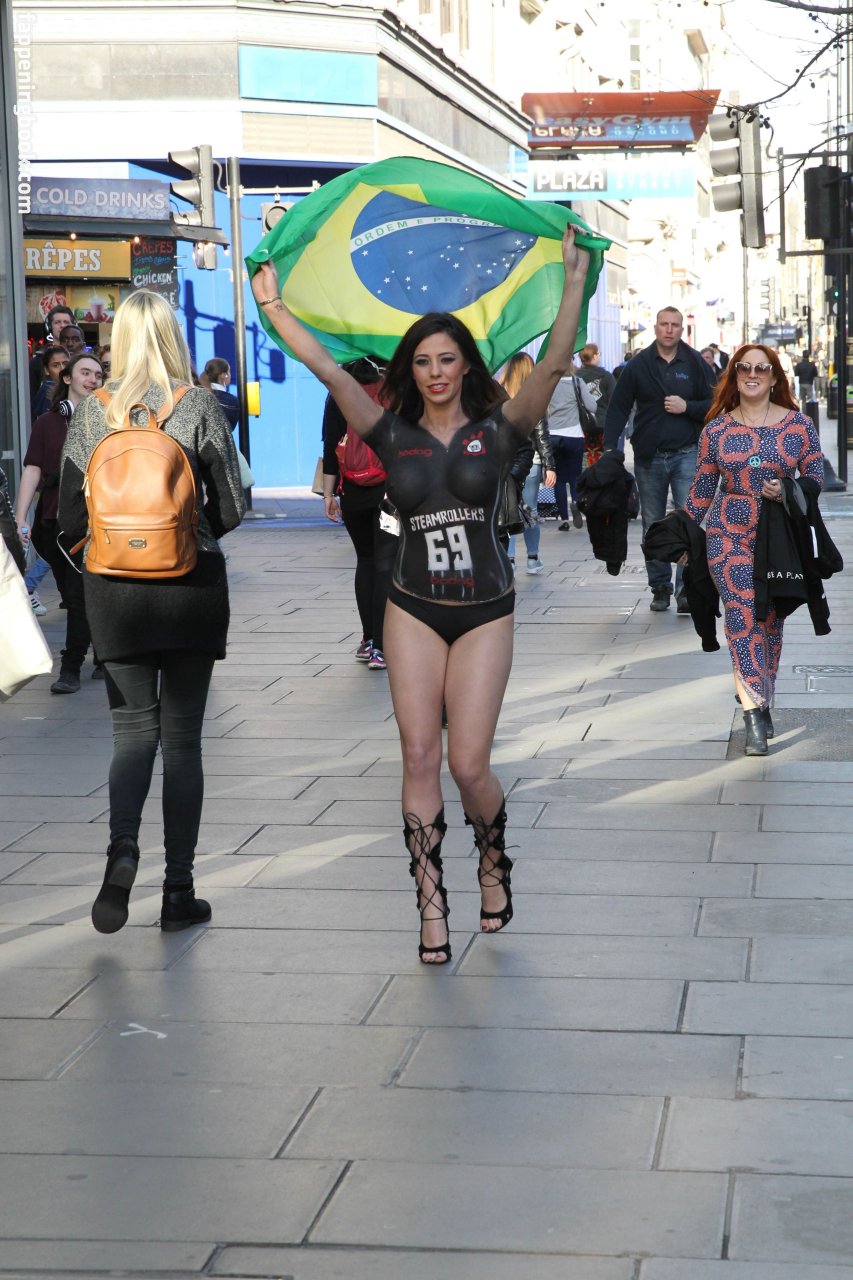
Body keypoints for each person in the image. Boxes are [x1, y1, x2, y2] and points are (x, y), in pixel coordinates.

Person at [250, 226, 590, 964]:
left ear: (466, 365)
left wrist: (572, 281)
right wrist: (274, 308)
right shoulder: (387, 430)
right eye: (423, 361)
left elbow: (555, 361)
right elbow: (327, 370)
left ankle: (492, 858)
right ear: (410, 368)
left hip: (484, 611)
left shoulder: (502, 428)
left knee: (468, 765)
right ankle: (430, 905)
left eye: (447, 359)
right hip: (410, 607)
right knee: (417, 754)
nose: (435, 372)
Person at [57, 290, 245, 934]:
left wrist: (116, 549)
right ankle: (178, 891)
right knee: (183, 741)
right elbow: (231, 506)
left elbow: (68, 516)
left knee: (132, 733)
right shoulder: (197, 404)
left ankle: (122, 852)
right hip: (190, 588)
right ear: (172, 337)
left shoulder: (92, 411)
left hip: (115, 594)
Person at [683, 345, 823, 755]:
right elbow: (703, 488)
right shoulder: (716, 430)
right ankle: (753, 714)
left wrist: (789, 489)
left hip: (780, 538)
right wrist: (682, 534)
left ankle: (761, 696)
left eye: (762, 368)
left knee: (770, 622)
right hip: (729, 535)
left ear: (774, 377)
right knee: (742, 618)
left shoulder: (799, 425)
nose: (752, 374)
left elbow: (815, 474)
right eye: (744, 367)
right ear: (734, 375)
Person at [603, 306, 716, 613]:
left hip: (687, 453)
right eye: (664, 324)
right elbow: (618, 407)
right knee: (652, 523)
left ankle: (685, 590)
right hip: (649, 456)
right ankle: (660, 587)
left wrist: (687, 407)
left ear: (682, 329)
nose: (669, 329)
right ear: (655, 328)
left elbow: (716, 403)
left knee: (688, 521)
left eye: (674, 325)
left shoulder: (694, 362)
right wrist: (609, 449)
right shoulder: (639, 365)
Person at [15, 351, 105, 692]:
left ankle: (71, 666)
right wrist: (21, 518)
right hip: (54, 521)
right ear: (67, 378)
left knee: (80, 594)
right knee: (73, 592)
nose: (92, 379)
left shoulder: (107, 421)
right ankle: (102, 655)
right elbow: (33, 470)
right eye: (85, 373)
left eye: (97, 375)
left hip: (95, 521)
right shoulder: (48, 423)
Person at [321, 357, 396, 669]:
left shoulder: (339, 391)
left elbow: (330, 445)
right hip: (389, 494)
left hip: (352, 492)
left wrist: (328, 494)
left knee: (365, 560)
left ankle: (367, 640)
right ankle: (381, 646)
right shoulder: (394, 389)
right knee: (386, 564)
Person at [499, 354, 556, 574]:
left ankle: (510, 559)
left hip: (504, 462)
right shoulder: (534, 398)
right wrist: (550, 466)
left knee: (508, 509)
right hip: (531, 462)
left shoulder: (499, 396)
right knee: (530, 509)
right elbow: (542, 435)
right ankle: (533, 559)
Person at [545, 371, 598, 531]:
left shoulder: (548, 381)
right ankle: (576, 503)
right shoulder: (577, 381)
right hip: (574, 434)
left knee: (558, 479)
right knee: (575, 476)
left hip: (552, 434)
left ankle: (564, 519)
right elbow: (592, 406)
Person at [576, 342, 616, 434]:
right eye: (599, 354)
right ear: (594, 356)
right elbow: (614, 400)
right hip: (602, 423)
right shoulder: (607, 376)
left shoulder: (575, 377)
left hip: (580, 424)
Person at [31, 345, 69, 421]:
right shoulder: (48, 391)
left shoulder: (74, 387)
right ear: (46, 370)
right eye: (55, 365)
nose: (62, 369)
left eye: (65, 364)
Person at [203, 357, 240, 430]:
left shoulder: (199, 395)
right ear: (223, 375)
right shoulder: (231, 401)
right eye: (229, 371)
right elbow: (230, 427)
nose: (230, 375)